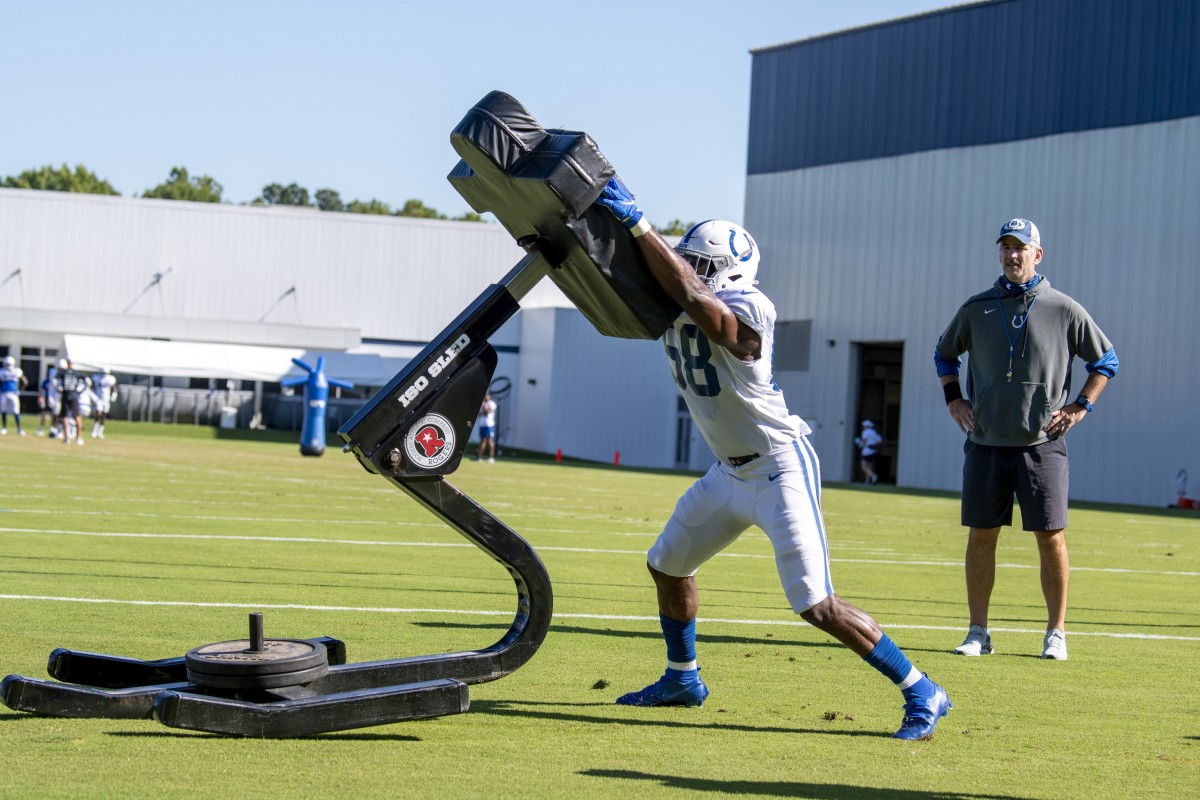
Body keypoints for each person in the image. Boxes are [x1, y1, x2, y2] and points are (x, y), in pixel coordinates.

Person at [594, 178, 951, 740]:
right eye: (687, 259)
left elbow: (703, 307)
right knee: (667, 564)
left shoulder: (751, 306)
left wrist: (640, 224)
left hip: (778, 465)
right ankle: (683, 679)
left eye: (701, 263)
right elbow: (617, 285)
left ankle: (921, 689)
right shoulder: (681, 290)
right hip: (727, 471)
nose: (689, 268)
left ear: (729, 272)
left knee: (816, 604)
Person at [934, 218, 1118, 661]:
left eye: (1022, 248)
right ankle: (979, 631)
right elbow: (944, 353)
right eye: (1006, 247)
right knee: (982, 536)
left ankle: (1056, 633)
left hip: (1042, 444)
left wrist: (1079, 407)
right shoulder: (976, 307)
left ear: (1038, 254)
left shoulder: (1064, 308)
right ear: (999, 253)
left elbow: (1106, 360)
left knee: (1050, 537)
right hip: (985, 443)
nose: (1013, 255)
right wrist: (954, 399)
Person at [55, 358, 88, 447]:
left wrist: (58, 389)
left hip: (66, 395)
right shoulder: (77, 373)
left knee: (65, 417)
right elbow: (86, 382)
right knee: (77, 416)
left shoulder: (62, 373)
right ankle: (79, 438)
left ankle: (67, 438)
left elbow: (54, 381)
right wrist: (79, 391)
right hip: (74, 396)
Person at [0, 355, 29, 435]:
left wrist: (20, 391)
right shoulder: (2, 372)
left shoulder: (16, 371)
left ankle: (19, 429)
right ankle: (4, 428)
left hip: (13, 393)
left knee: (16, 411)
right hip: (4, 393)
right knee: (3, 410)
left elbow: (25, 382)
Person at [92, 367, 118, 439]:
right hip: (98, 399)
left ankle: (100, 432)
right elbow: (93, 386)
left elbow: (114, 387)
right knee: (97, 413)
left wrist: (114, 394)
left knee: (103, 415)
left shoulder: (110, 379)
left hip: (106, 400)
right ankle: (94, 430)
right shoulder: (97, 378)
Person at [855, 420, 883, 485]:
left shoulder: (865, 432)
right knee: (869, 467)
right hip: (873, 452)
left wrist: (858, 443)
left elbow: (864, 442)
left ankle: (873, 476)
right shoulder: (875, 432)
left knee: (864, 467)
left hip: (866, 451)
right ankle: (867, 482)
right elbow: (879, 441)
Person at [36, 364, 60, 437]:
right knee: (44, 414)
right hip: (46, 399)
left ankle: (53, 429)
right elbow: (42, 390)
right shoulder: (46, 382)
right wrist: (41, 397)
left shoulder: (57, 382)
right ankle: (41, 428)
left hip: (55, 400)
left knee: (54, 415)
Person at [476, 392, 497, 463]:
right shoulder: (482, 404)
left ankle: (491, 457)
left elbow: (488, 411)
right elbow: (479, 414)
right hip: (482, 425)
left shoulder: (492, 403)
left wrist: (484, 405)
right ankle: (479, 457)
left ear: (489, 397)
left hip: (489, 425)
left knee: (490, 440)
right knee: (483, 440)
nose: (485, 397)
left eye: (486, 396)